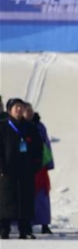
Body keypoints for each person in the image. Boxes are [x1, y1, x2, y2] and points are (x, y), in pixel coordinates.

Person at [0, 99, 43, 239]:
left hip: (26, 170)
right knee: (6, 199)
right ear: (9, 110)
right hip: (7, 170)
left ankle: (25, 229)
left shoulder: (30, 128)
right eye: (16, 107)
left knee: (25, 199)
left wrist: (36, 165)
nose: (19, 109)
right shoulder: (3, 127)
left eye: (21, 107)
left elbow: (38, 148)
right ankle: (3, 229)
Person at [23, 103, 54, 234]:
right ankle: (26, 223)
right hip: (25, 165)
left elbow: (46, 144)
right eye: (26, 111)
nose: (29, 113)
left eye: (30, 110)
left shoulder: (40, 126)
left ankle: (44, 224)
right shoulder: (20, 126)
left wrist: (49, 162)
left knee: (42, 195)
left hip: (40, 165)